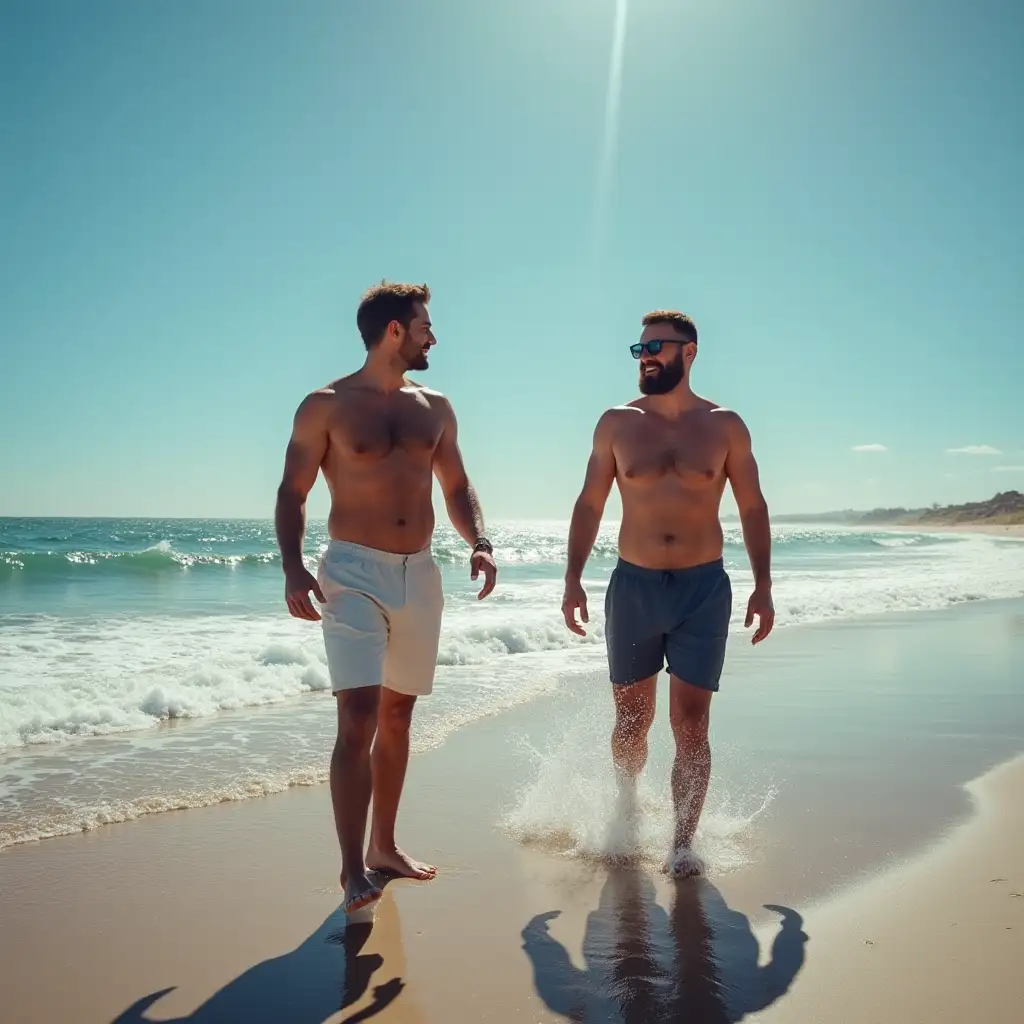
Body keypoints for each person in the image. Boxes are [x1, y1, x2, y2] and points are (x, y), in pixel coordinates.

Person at [274, 281, 497, 913]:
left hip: (420, 573)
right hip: (352, 573)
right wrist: (293, 568)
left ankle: (384, 847)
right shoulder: (326, 405)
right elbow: (292, 493)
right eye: (425, 324)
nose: (433, 335)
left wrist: (479, 540)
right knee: (359, 717)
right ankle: (350, 870)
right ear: (394, 330)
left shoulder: (436, 407)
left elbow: (456, 485)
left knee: (399, 716)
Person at [561, 310, 774, 877]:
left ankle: (682, 843)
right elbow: (590, 503)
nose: (645, 355)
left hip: (704, 589)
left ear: (690, 352)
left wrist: (764, 584)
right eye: (639, 347)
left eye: (656, 345)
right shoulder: (616, 423)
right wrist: (572, 577)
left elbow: (752, 506)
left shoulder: (726, 425)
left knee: (692, 722)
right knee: (631, 716)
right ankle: (627, 807)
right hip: (633, 584)